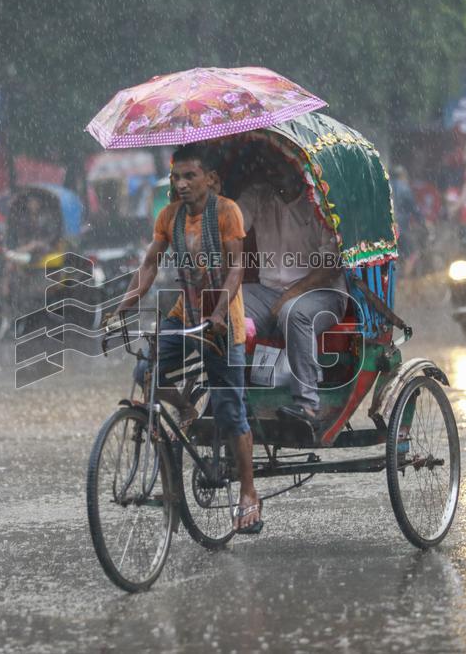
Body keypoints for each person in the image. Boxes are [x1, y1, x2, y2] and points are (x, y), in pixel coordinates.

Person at [108, 144, 262, 534]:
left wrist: (217, 314)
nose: (181, 184)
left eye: (190, 176)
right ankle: (186, 409)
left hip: (223, 317)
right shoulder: (169, 217)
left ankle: (248, 493)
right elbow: (148, 266)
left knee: (230, 411)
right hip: (185, 312)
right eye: (176, 177)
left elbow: (235, 270)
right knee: (147, 371)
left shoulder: (227, 211)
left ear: (210, 179)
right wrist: (123, 307)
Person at [236, 156, 347, 427]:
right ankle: (233, 397)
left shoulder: (319, 202)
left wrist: (290, 295)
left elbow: (330, 267)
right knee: (227, 305)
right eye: (270, 165)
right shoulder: (258, 196)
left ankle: (308, 405)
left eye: (281, 164)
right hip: (267, 291)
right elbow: (231, 225)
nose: (273, 171)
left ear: (297, 168)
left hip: (323, 294)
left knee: (293, 313)